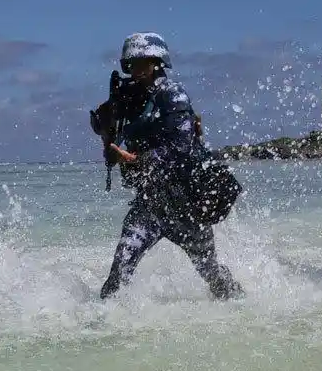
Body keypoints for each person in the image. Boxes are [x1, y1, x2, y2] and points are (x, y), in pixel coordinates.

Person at [90, 32, 245, 301]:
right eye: (132, 64)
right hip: (149, 205)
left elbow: (181, 147)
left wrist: (134, 160)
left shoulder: (173, 94)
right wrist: (104, 128)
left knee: (213, 276)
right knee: (117, 277)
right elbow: (108, 130)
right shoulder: (128, 97)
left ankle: (241, 305)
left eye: (144, 62)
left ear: (157, 62)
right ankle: (98, 321)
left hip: (186, 207)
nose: (137, 69)